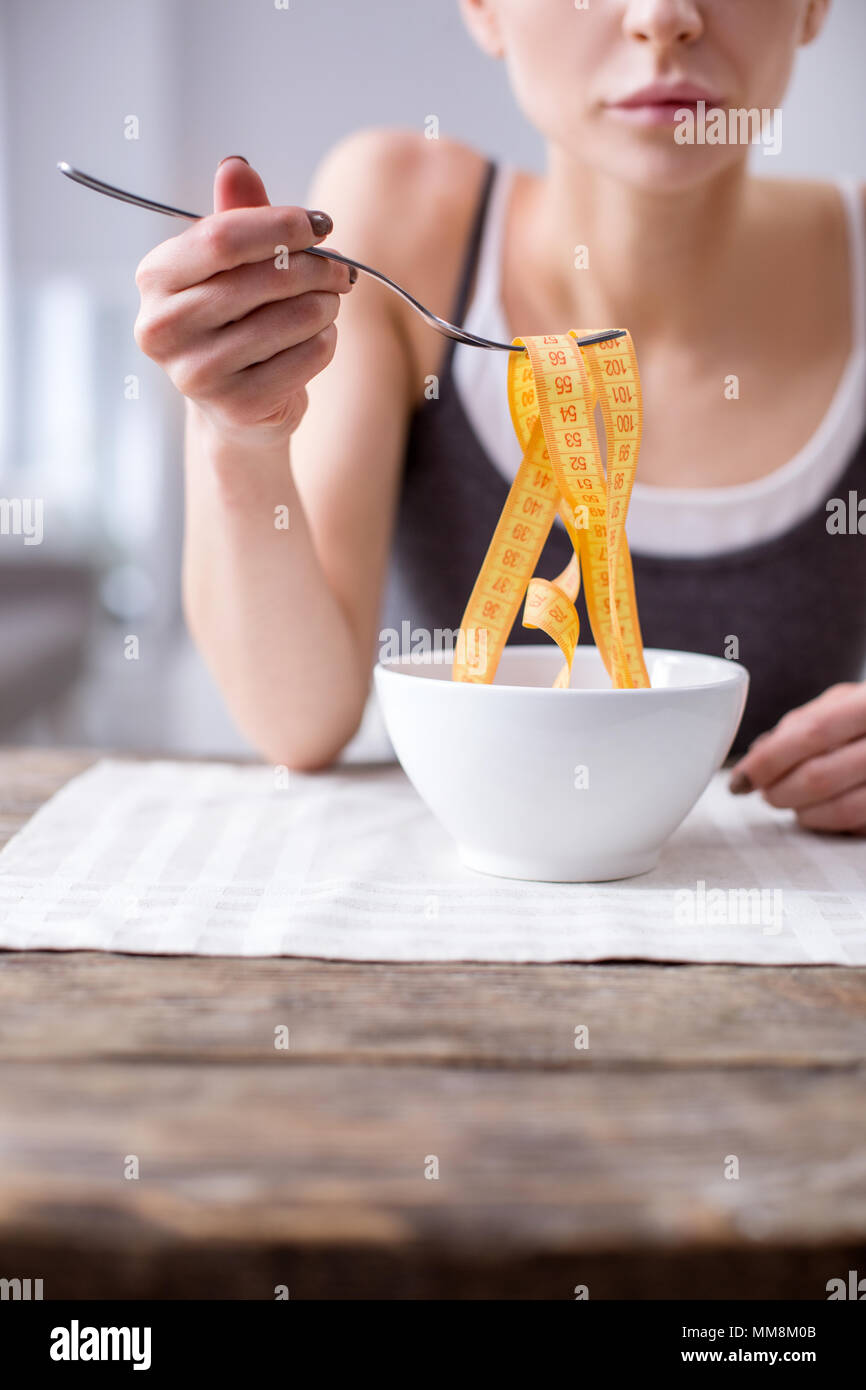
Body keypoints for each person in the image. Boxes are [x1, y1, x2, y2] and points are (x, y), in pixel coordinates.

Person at [133, 0, 866, 834]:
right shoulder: (399, 217)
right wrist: (237, 431)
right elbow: (301, 721)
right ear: (483, 8)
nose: (664, 17)